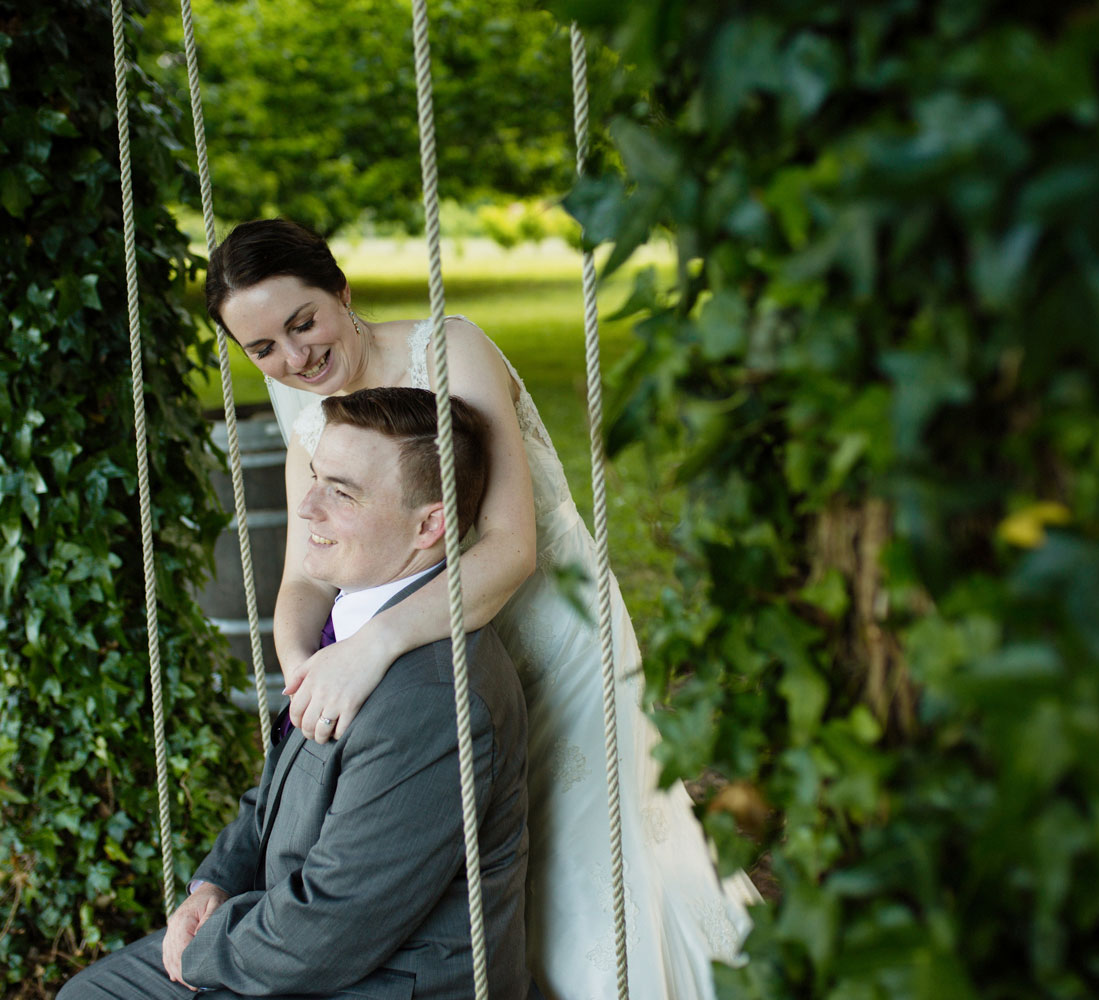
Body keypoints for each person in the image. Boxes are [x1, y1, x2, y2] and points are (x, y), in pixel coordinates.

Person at [208, 219, 757, 1000]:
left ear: (341, 292)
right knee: (488, 876)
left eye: (303, 323)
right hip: (436, 674)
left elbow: (507, 549)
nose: (294, 360)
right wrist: (305, 674)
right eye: (263, 350)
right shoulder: (309, 424)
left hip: (548, 634)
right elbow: (302, 582)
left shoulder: (449, 349)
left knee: (581, 860)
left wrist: (369, 650)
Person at [60, 388, 531, 1000]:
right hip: (291, 936)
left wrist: (204, 948)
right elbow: (277, 795)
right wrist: (213, 888)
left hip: (377, 980)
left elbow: (337, 922)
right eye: (315, 479)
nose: (306, 507)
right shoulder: (349, 635)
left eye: (342, 491)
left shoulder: (433, 696)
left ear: (429, 525)